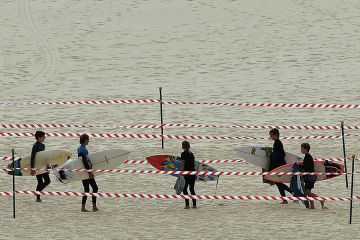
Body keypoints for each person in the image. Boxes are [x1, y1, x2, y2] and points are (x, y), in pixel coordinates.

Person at [297, 143, 327, 210]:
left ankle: (321, 200)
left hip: (310, 177)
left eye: (301, 148)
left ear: (305, 149)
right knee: (308, 192)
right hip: (310, 177)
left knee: (308, 192)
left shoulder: (308, 157)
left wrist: (299, 165)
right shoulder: (307, 156)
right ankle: (312, 206)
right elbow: (307, 166)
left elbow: (307, 168)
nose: (301, 150)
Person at [268, 129, 292, 204]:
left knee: (278, 182)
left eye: (271, 135)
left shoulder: (278, 143)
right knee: (278, 182)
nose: (270, 136)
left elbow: (281, 155)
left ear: (275, 135)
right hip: (279, 165)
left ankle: (292, 193)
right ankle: (285, 199)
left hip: (279, 166)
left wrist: (272, 155)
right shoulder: (277, 142)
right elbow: (280, 154)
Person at [78, 134, 99, 212]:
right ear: (85, 140)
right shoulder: (82, 150)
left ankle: (83, 208)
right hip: (86, 172)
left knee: (86, 189)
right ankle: (94, 207)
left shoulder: (80, 148)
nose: (89, 141)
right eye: (88, 139)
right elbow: (84, 162)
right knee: (95, 188)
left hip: (83, 172)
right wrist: (89, 172)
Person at [30, 131, 50, 202]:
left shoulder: (43, 145)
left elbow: (44, 157)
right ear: (39, 137)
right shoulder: (35, 146)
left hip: (43, 166)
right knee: (40, 182)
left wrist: (47, 167)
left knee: (48, 181)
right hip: (37, 166)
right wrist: (32, 169)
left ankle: (37, 191)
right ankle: (38, 198)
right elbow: (32, 157)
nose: (45, 138)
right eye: (43, 136)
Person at [180, 141, 197, 209]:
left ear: (183, 146)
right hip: (193, 173)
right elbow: (194, 164)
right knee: (192, 189)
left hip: (187, 173)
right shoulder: (191, 153)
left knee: (184, 189)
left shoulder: (183, 154)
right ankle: (194, 205)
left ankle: (187, 205)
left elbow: (183, 163)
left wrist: (181, 172)